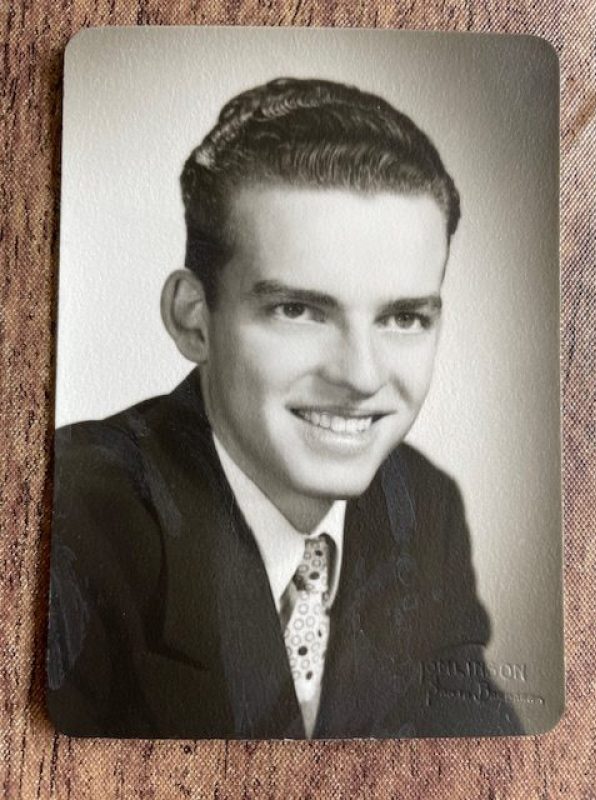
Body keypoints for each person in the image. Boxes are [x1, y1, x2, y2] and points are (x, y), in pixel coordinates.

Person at [47, 78, 521, 739]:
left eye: (404, 318)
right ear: (193, 319)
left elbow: (484, 760)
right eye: (298, 310)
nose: (361, 376)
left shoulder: (421, 505)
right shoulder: (69, 515)